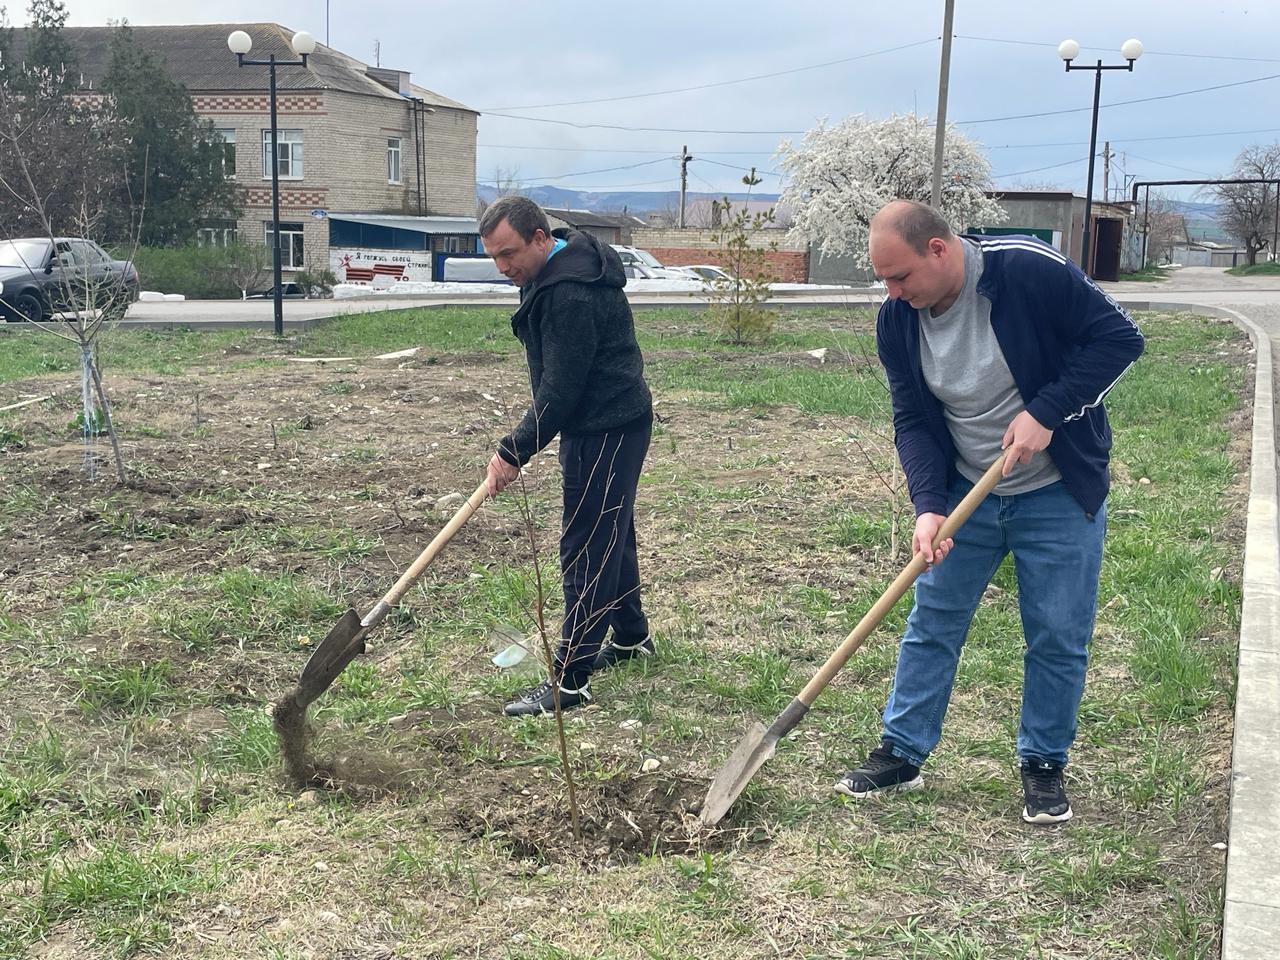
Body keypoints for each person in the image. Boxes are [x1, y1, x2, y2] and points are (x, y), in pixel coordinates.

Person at [838, 199, 1145, 824]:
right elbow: (914, 419)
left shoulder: (1027, 272)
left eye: (900, 277)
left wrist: (1047, 413)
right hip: (965, 490)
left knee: (1058, 633)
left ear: (939, 250)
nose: (893, 294)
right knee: (934, 620)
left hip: (1057, 490)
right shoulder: (898, 320)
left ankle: (1042, 763)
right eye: (883, 281)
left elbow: (1119, 339)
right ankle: (902, 749)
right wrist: (927, 506)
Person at [477, 196, 656, 717]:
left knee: (586, 545)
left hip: (604, 425)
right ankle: (630, 637)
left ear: (539, 238)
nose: (503, 267)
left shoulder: (570, 293)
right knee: (610, 531)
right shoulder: (554, 271)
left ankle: (570, 681)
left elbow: (562, 388)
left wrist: (515, 449)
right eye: (494, 257)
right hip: (611, 420)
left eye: (509, 253)